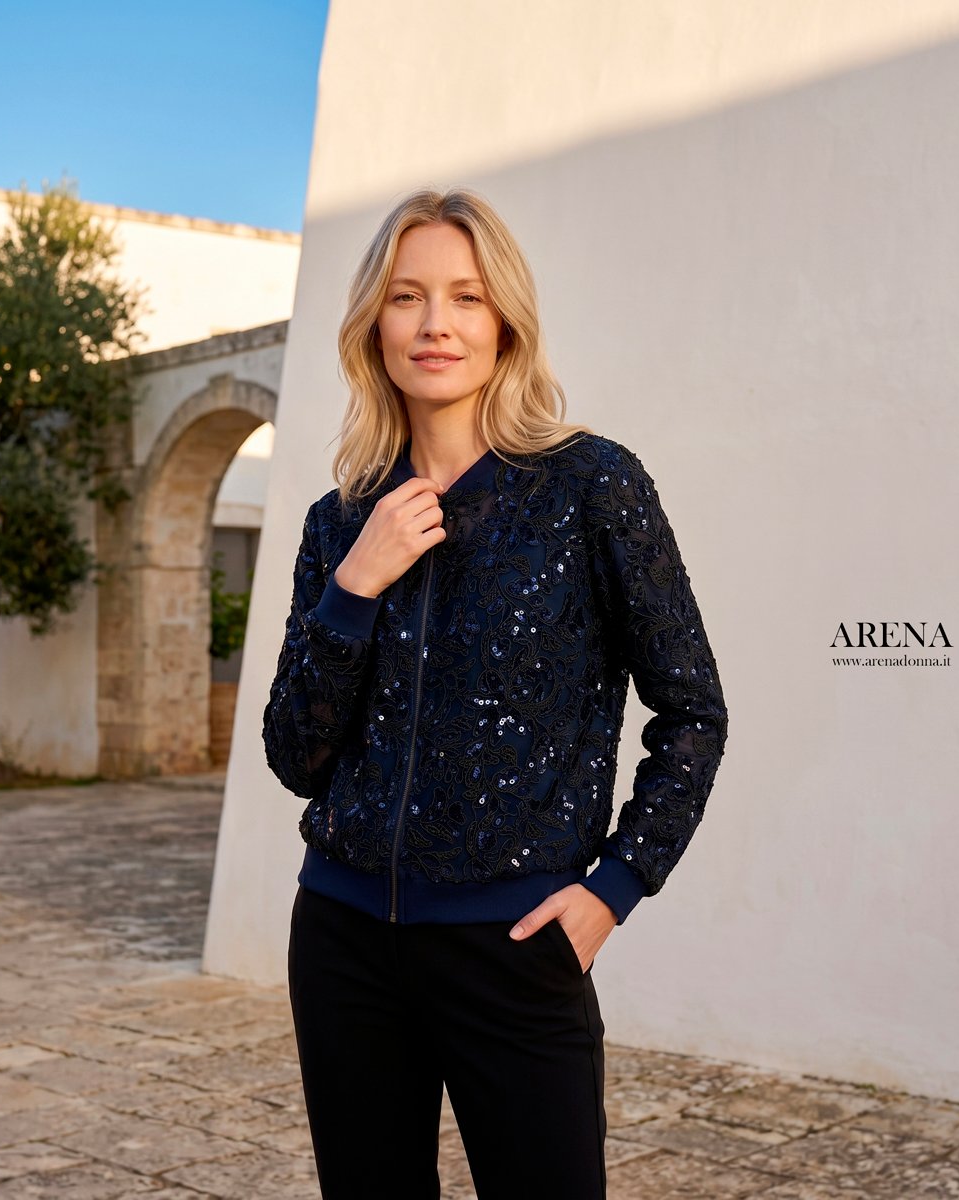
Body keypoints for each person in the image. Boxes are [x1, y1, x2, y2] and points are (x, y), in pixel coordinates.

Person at [263, 187, 729, 1200]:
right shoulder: (338, 523)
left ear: (504, 322)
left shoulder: (590, 486)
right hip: (342, 943)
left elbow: (693, 711)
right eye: (407, 297)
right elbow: (296, 756)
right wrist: (354, 587)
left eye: (466, 297)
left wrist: (614, 890)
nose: (435, 323)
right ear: (373, 325)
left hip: (515, 948)